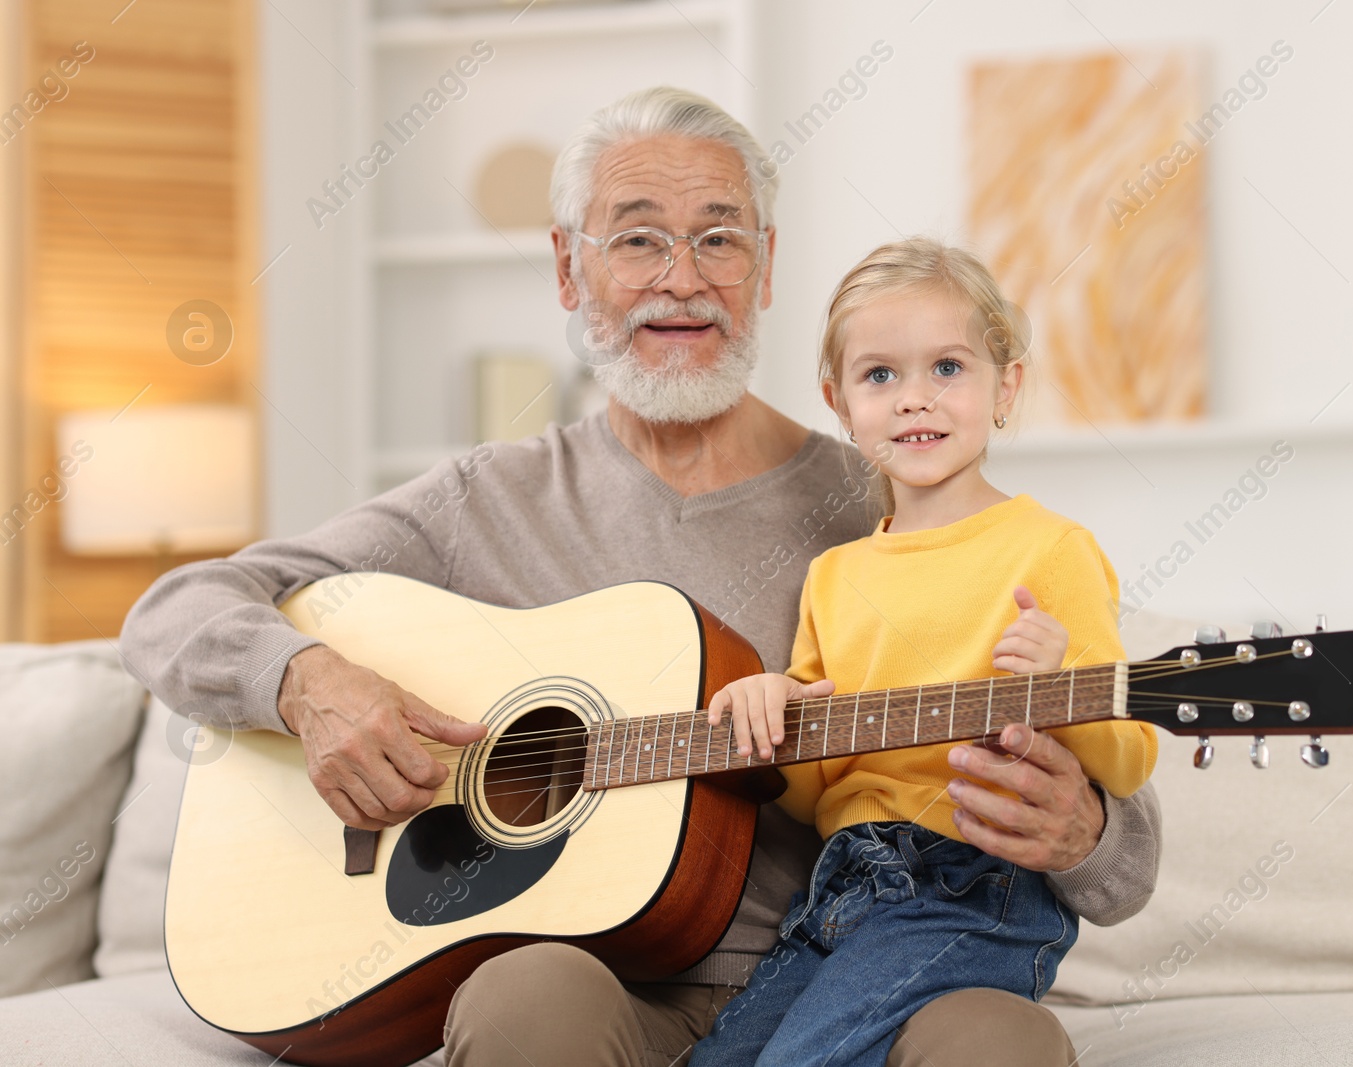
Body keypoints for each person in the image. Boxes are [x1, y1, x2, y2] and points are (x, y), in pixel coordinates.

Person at [119, 87, 1162, 1067]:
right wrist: (310, 684)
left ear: (763, 266)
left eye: (719, 237)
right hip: (604, 983)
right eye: (636, 239)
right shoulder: (484, 496)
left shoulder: (892, 497)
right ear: (571, 272)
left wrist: (1082, 828)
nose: (682, 276)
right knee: (522, 995)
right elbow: (176, 609)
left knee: (1001, 1041)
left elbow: (1121, 829)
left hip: (851, 962)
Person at [690, 239, 1157, 1066]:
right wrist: (769, 709)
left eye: (947, 367)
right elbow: (811, 795)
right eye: (880, 376)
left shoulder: (1049, 549)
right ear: (839, 401)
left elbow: (1126, 759)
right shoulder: (834, 574)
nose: (914, 400)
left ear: (1004, 385)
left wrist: (1062, 692)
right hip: (839, 887)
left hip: (972, 886)